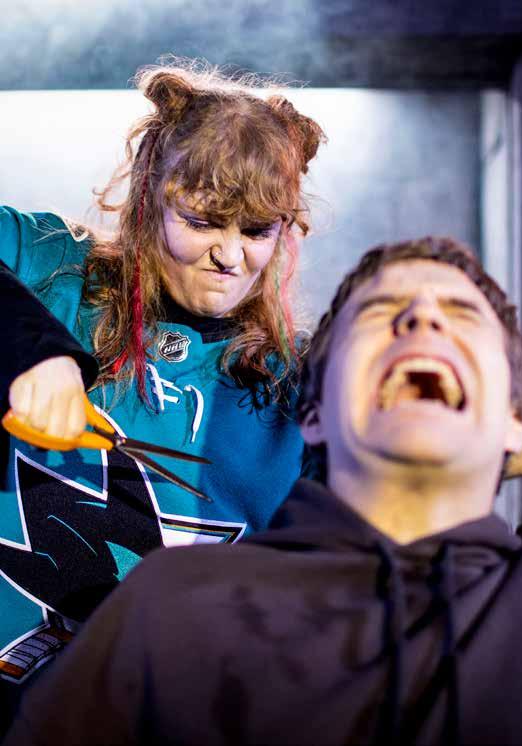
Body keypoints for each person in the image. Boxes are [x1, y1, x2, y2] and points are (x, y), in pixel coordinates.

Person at [5, 237, 522, 745]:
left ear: (517, 415)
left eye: (459, 317)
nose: (422, 320)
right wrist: (458, 425)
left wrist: (479, 438)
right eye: (385, 316)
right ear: (312, 414)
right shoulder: (172, 605)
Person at [0, 60, 325, 718]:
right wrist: (33, 346)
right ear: (149, 198)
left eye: (256, 231)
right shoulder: (49, 269)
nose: (230, 256)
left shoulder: (304, 388)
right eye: (203, 221)